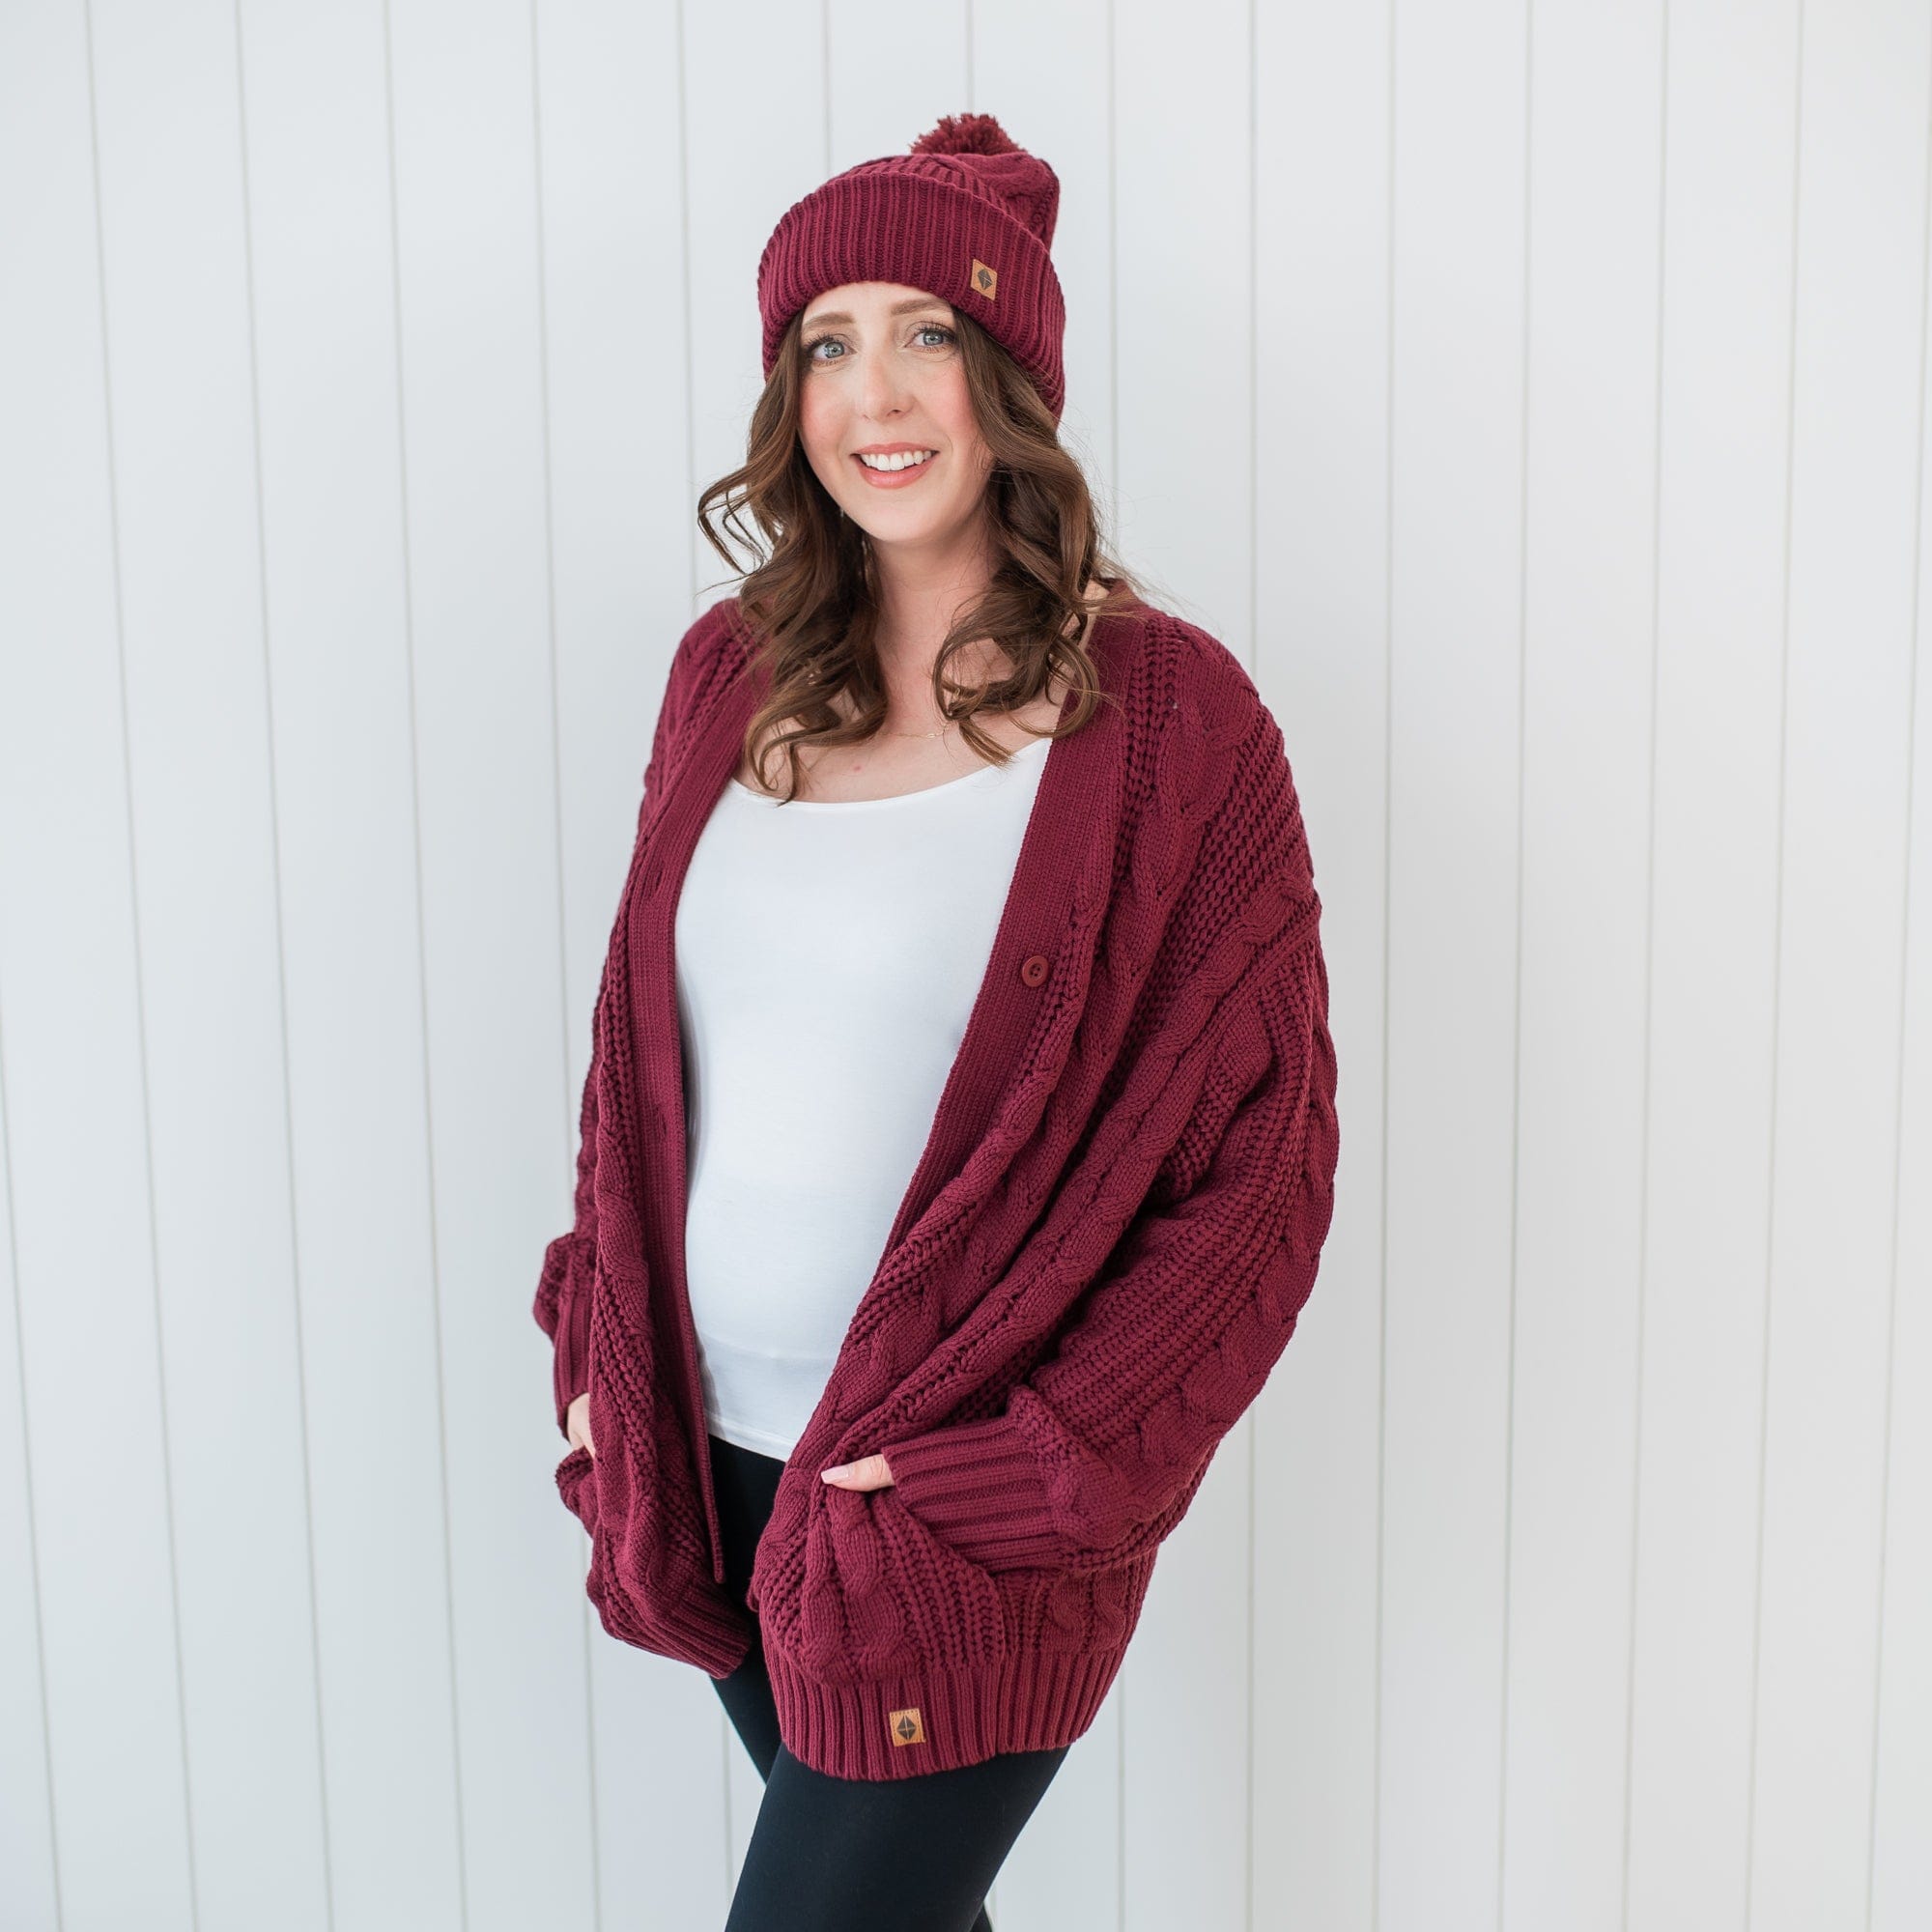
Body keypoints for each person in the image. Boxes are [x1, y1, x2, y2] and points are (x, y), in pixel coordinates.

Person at [533, 111, 1341, 1932]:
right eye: (828, 339)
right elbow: (639, 1058)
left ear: (1010, 383)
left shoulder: (1172, 726)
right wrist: (596, 1317)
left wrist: (1046, 1458)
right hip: (714, 1459)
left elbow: (1261, 1177)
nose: (874, 390)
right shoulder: (723, 679)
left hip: (947, 1503)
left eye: (928, 333)